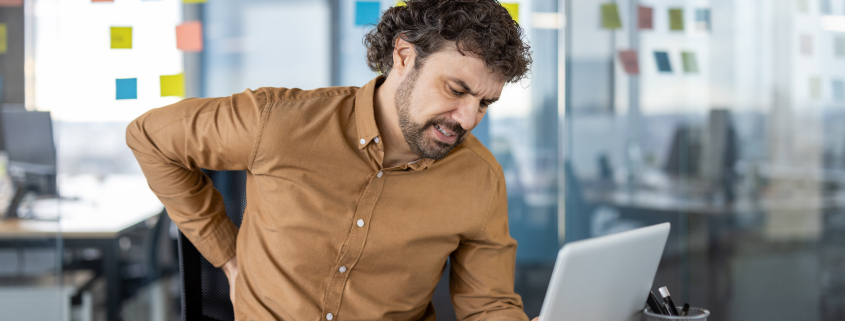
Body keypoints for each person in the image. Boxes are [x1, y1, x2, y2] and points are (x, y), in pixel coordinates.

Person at [126, 0, 534, 320]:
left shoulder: (480, 178)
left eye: (485, 103)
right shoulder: (280, 122)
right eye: (456, 90)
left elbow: (489, 304)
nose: (468, 119)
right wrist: (228, 259)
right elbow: (150, 137)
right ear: (404, 56)